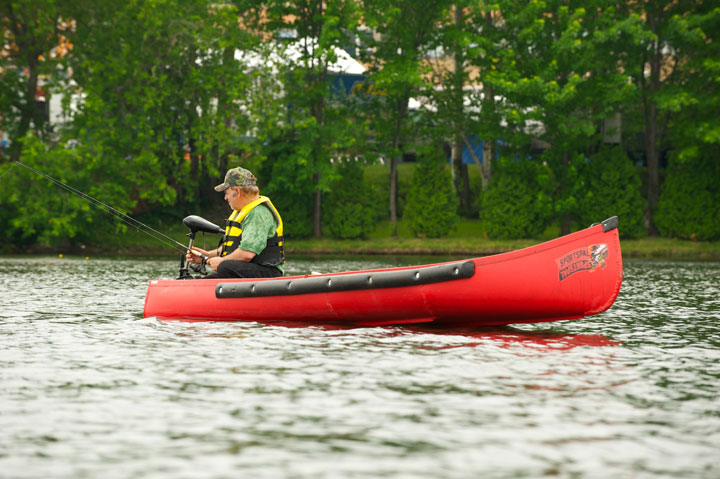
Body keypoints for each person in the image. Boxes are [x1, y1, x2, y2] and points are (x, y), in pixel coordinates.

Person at [186, 167, 284, 278]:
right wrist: (207, 256)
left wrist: (221, 261)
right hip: (245, 270)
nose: (225, 198)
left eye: (226, 193)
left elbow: (247, 254)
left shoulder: (257, 214)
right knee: (218, 270)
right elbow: (234, 246)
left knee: (225, 266)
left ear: (237, 191)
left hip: (267, 273)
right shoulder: (243, 212)